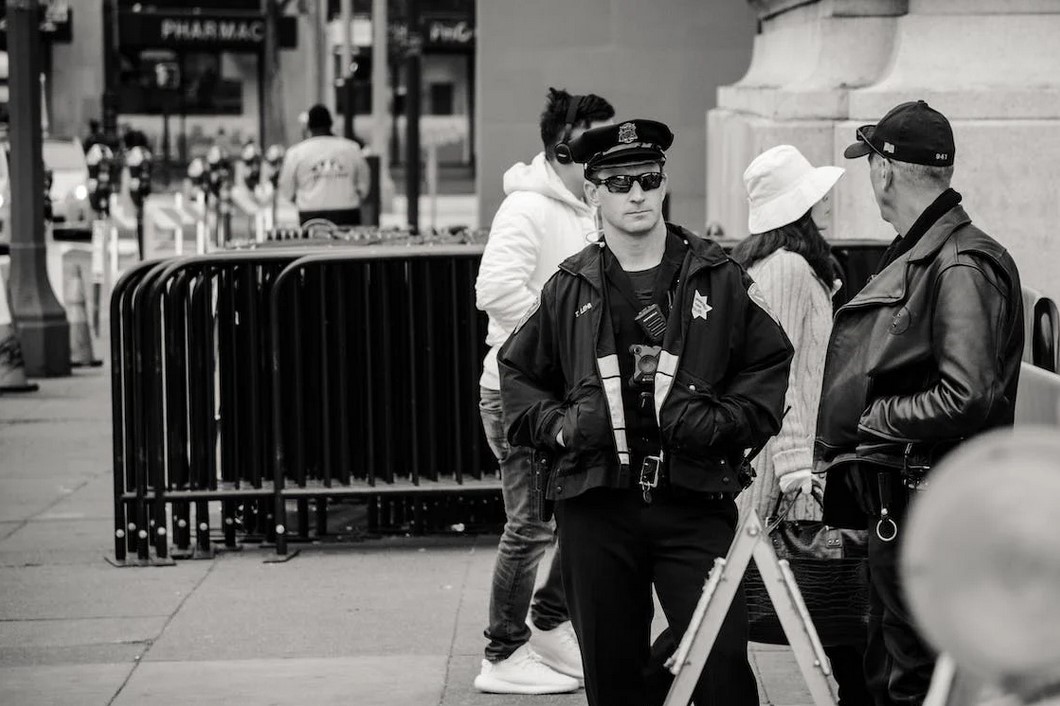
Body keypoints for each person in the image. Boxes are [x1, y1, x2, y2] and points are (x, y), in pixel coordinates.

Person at [498, 118, 793, 706]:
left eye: (648, 179)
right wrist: (562, 428)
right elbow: (519, 375)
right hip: (596, 505)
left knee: (719, 667)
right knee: (612, 675)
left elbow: (767, 369)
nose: (636, 193)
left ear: (663, 185)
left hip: (694, 502)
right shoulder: (568, 287)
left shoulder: (718, 276)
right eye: (618, 181)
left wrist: (720, 428)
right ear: (592, 193)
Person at [815, 100, 1024, 706]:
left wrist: (874, 420)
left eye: (870, 166)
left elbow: (969, 393)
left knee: (913, 672)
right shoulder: (930, 247)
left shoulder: (959, 261)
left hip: (929, 500)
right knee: (894, 659)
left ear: (883, 171)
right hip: (913, 493)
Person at [472, 87, 615, 696]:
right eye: (599, 141)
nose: (612, 152)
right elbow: (493, 290)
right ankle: (502, 653)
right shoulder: (527, 209)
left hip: (563, 397)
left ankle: (549, 620)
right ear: (565, 147)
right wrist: (564, 325)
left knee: (583, 512)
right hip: (519, 397)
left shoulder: (584, 204)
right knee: (529, 527)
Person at [732, 144, 871, 705]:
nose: (827, 205)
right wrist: (794, 469)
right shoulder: (787, 269)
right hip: (787, 460)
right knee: (827, 599)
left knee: (823, 603)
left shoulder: (778, 264)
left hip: (790, 454)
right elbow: (781, 376)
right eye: (816, 197)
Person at [277, 104, 370, 227]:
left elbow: (286, 187)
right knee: (348, 246)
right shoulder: (352, 148)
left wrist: (304, 200)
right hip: (347, 212)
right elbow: (364, 183)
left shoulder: (296, 153)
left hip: (310, 214)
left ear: (309, 126)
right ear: (331, 123)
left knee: (312, 246)